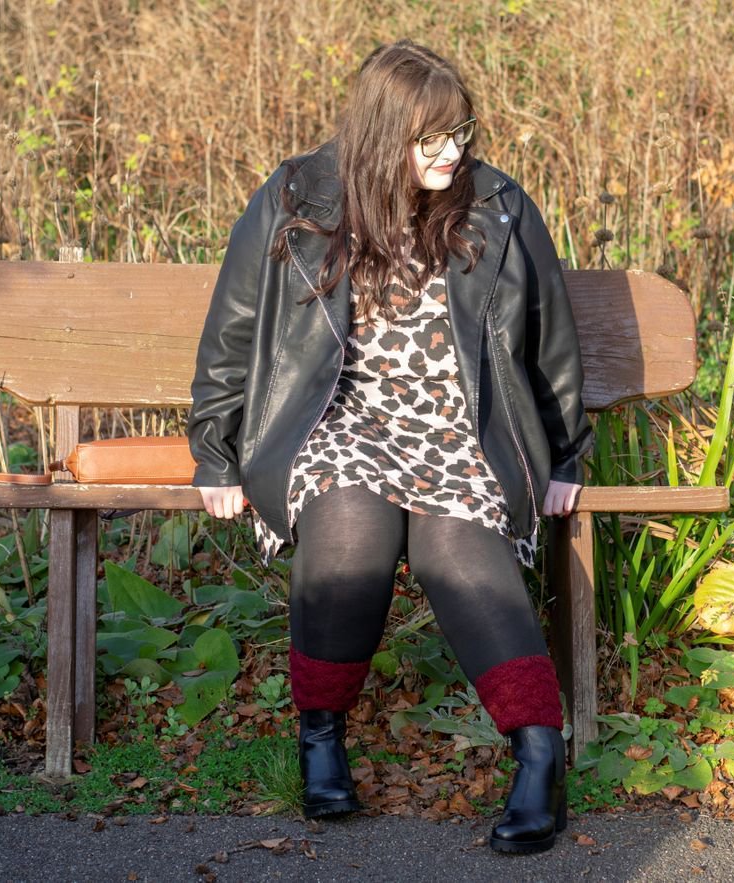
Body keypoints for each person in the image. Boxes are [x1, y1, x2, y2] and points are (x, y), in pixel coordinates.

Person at [187, 39, 592, 854]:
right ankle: (321, 735)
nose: (454, 152)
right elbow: (234, 331)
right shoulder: (298, 195)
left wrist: (564, 455)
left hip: (459, 427)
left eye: (462, 131)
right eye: (432, 137)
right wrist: (216, 451)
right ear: (381, 134)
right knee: (349, 526)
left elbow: (548, 340)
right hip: (338, 420)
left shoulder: (498, 204)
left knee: (457, 548)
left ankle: (539, 753)